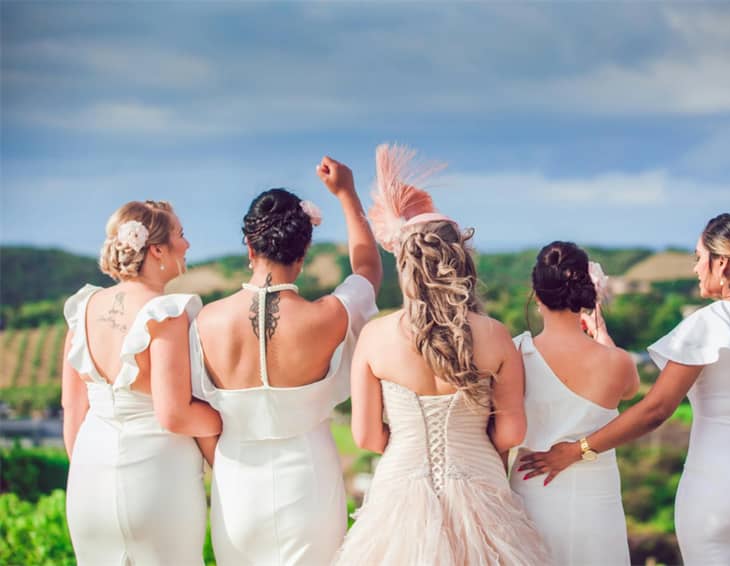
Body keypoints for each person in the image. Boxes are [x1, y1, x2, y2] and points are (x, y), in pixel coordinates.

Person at [519, 212, 730, 565]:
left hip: (725, 487)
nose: (695, 269)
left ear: (722, 264)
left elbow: (656, 410)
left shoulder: (710, 323)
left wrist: (577, 450)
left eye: (699, 258)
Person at [333, 144, 551, 565]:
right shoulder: (495, 336)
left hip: (399, 491)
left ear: (406, 265)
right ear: (461, 262)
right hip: (481, 487)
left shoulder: (376, 338)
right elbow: (510, 434)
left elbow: (366, 437)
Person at [189, 156, 381, 565]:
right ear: (305, 248)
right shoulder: (329, 315)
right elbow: (367, 268)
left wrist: (223, 460)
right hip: (309, 483)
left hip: (237, 484)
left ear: (248, 246)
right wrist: (347, 193)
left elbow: (194, 412)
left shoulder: (207, 321)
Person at [61, 200, 222, 565]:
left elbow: (73, 409)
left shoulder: (82, 308)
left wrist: (89, 472)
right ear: (158, 249)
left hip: (88, 482)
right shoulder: (166, 313)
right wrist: (228, 419)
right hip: (156, 482)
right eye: (182, 234)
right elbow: (174, 414)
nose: (188, 244)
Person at [509, 241, 639, 564]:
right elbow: (631, 391)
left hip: (531, 490)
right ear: (585, 291)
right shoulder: (619, 363)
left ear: (536, 295)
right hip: (597, 500)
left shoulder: (515, 354)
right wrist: (600, 332)